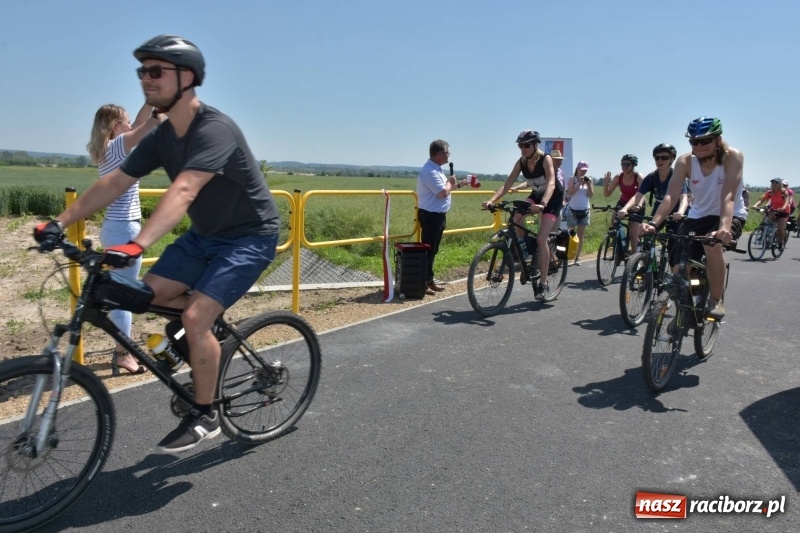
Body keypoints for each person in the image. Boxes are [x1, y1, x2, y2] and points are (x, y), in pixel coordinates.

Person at [35, 34, 281, 454]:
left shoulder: (214, 129)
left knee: (195, 315)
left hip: (249, 236)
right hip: (203, 236)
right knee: (146, 296)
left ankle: (206, 413)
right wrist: (58, 223)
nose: (145, 79)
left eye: (155, 71)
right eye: (142, 71)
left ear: (187, 77)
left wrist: (138, 242)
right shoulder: (162, 137)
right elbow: (114, 182)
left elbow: (184, 189)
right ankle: (207, 344)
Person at [642, 117, 747, 321]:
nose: (699, 146)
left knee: (711, 244)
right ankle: (685, 312)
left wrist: (724, 228)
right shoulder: (685, 161)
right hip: (698, 214)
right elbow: (671, 195)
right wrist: (654, 223)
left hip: (730, 213)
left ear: (718, 140)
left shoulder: (732, 157)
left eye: (704, 141)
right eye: (694, 142)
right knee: (678, 265)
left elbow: (728, 196)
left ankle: (716, 300)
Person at [87, 103, 162, 376]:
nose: (131, 125)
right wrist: (161, 103)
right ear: (116, 126)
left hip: (113, 227)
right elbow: (147, 126)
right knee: (125, 297)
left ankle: (122, 350)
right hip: (124, 230)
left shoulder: (107, 148)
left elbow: (140, 124)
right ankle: (123, 354)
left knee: (121, 291)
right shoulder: (119, 145)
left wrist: (149, 102)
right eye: (126, 121)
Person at [483, 130, 562, 299]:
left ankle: (543, 284)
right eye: (520, 145)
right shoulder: (522, 161)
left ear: (535, 145)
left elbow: (551, 184)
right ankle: (525, 249)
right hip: (536, 196)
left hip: (552, 199)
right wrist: (491, 200)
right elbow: (507, 184)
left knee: (541, 238)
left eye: (526, 145)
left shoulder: (545, 159)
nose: (523, 149)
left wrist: (543, 204)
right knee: (516, 217)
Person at [416, 140, 469, 296]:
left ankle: (428, 280)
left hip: (437, 215)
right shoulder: (430, 171)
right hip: (430, 216)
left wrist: (459, 185)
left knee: (433, 250)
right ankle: (421, 284)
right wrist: (450, 182)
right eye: (447, 153)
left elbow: (445, 189)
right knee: (428, 250)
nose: (448, 156)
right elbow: (442, 193)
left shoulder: (436, 169)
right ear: (439, 154)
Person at [618, 143, 689, 232]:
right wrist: (625, 209)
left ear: (671, 160)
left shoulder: (677, 177)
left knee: (673, 236)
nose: (660, 160)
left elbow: (684, 199)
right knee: (647, 233)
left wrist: (680, 212)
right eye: (657, 158)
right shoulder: (651, 177)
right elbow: (637, 195)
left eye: (664, 158)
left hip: (676, 209)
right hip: (659, 207)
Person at [603, 154, 644, 254]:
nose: (624, 167)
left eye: (627, 165)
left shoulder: (638, 177)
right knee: (614, 215)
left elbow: (642, 194)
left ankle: (634, 257)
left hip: (637, 203)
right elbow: (607, 194)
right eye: (622, 164)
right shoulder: (618, 177)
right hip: (623, 202)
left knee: (633, 233)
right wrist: (606, 183)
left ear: (633, 165)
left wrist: (639, 206)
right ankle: (616, 237)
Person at [563, 160, 593, 265]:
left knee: (581, 234)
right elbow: (570, 193)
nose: (584, 172)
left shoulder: (589, 180)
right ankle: (568, 255)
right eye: (582, 170)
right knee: (571, 233)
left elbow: (591, 195)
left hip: (584, 210)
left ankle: (577, 257)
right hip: (573, 210)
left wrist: (588, 185)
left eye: (585, 170)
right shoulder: (572, 179)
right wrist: (579, 183)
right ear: (577, 169)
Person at [752, 178, 792, 247]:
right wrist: (755, 205)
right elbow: (761, 200)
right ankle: (766, 235)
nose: (774, 184)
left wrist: (783, 208)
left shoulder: (784, 192)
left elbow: (786, 202)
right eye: (772, 182)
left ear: (780, 184)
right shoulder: (769, 192)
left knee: (780, 229)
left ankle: (781, 242)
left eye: (776, 182)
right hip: (774, 210)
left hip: (784, 211)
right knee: (766, 222)